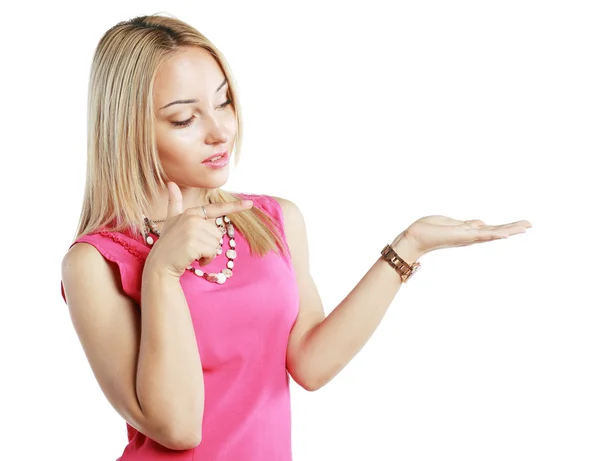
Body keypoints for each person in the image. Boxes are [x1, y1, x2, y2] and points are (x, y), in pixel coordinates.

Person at [60, 13, 532, 461]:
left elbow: (311, 363)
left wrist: (409, 245)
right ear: (128, 130)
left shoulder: (272, 220)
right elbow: (179, 427)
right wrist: (162, 271)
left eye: (224, 101)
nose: (221, 130)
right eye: (185, 119)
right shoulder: (97, 262)